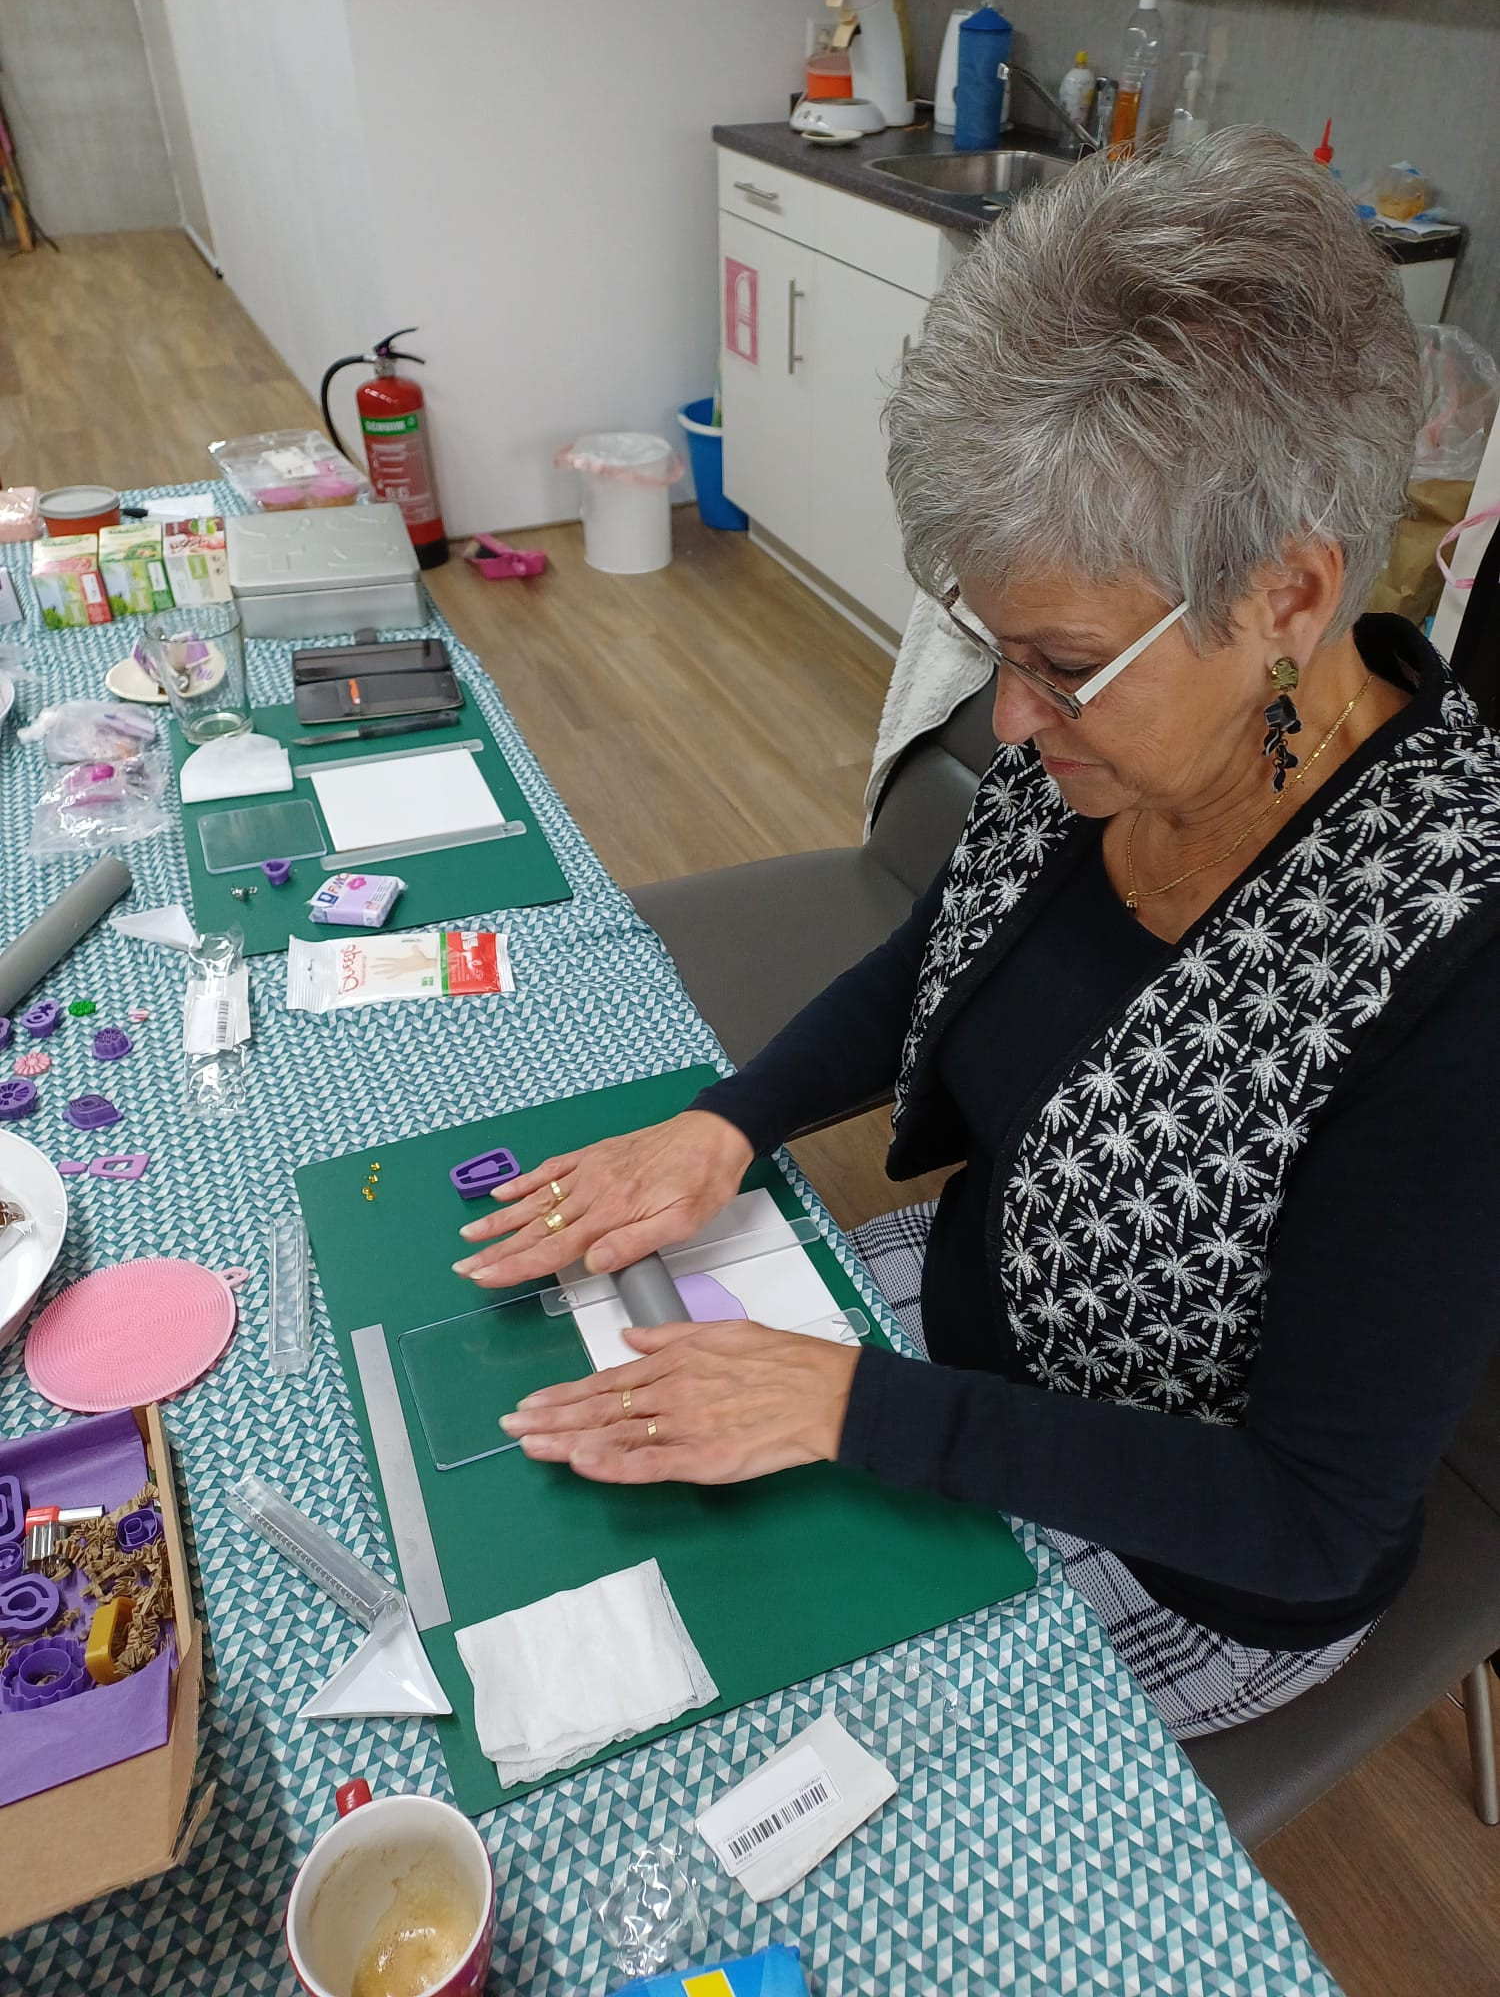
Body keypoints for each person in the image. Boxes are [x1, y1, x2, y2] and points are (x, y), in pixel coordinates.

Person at [453, 128, 1500, 1739]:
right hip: (964, 1345)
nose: (1010, 720)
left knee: (710, 1731)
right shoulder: (1115, 741)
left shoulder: (1450, 964)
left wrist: (855, 1410)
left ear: (1290, 600)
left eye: (1063, 664)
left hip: (1187, 1551)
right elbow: (947, 958)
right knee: (559, 1470)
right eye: (994, 646)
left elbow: (1310, 1516)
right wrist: (730, 1123)